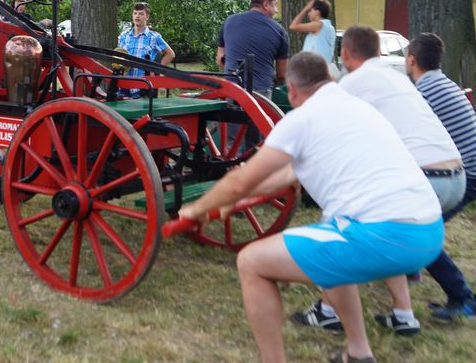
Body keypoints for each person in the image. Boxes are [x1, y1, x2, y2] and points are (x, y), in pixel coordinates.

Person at [179, 52, 443, 363]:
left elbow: (242, 181)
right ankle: (359, 353)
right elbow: (289, 174)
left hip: (384, 235)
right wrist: (232, 201)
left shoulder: (302, 119)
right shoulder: (357, 108)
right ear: (330, 80)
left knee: (251, 261)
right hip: (429, 231)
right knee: (327, 245)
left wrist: (196, 209)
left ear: (291, 90)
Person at [292, 25, 464, 336]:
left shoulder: (353, 82)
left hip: (425, 176)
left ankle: (328, 311)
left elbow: (318, 122)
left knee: (343, 224)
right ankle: (403, 315)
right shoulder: (397, 78)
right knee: (388, 227)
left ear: (345, 53)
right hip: (457, 177)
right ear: (378, 52)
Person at [406, 32, 476, 321]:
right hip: (469, 167)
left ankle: (463, 299)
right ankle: (410, 267)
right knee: (420, 227)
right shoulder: (442, 83)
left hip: (468, 174)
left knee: (420, 235)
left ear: (411, 60)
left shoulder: (424, 92)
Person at [216, 0, 289, 98]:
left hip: (231, 90)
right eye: (275, 5)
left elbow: (220, 61)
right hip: (260, 94)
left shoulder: (229, 21)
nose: (276, 10)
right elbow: (282, 76)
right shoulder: (279, 31)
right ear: (266, 4)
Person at [117, 1, 175, 98]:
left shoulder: (154, 37)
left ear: (147, 17)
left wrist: (157, 70)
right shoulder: (124, 36)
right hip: (123, 85)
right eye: (135, 13)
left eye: (141, 14)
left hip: (142, 86)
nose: (137, 16)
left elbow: (170, 54)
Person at [288, 0, 336, 67]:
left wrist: (305, 9)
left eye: (310, 10)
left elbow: (293, 26)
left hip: (315, 71)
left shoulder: (319, 25)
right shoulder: (327, 26)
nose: (308, 13)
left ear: (317, 12)